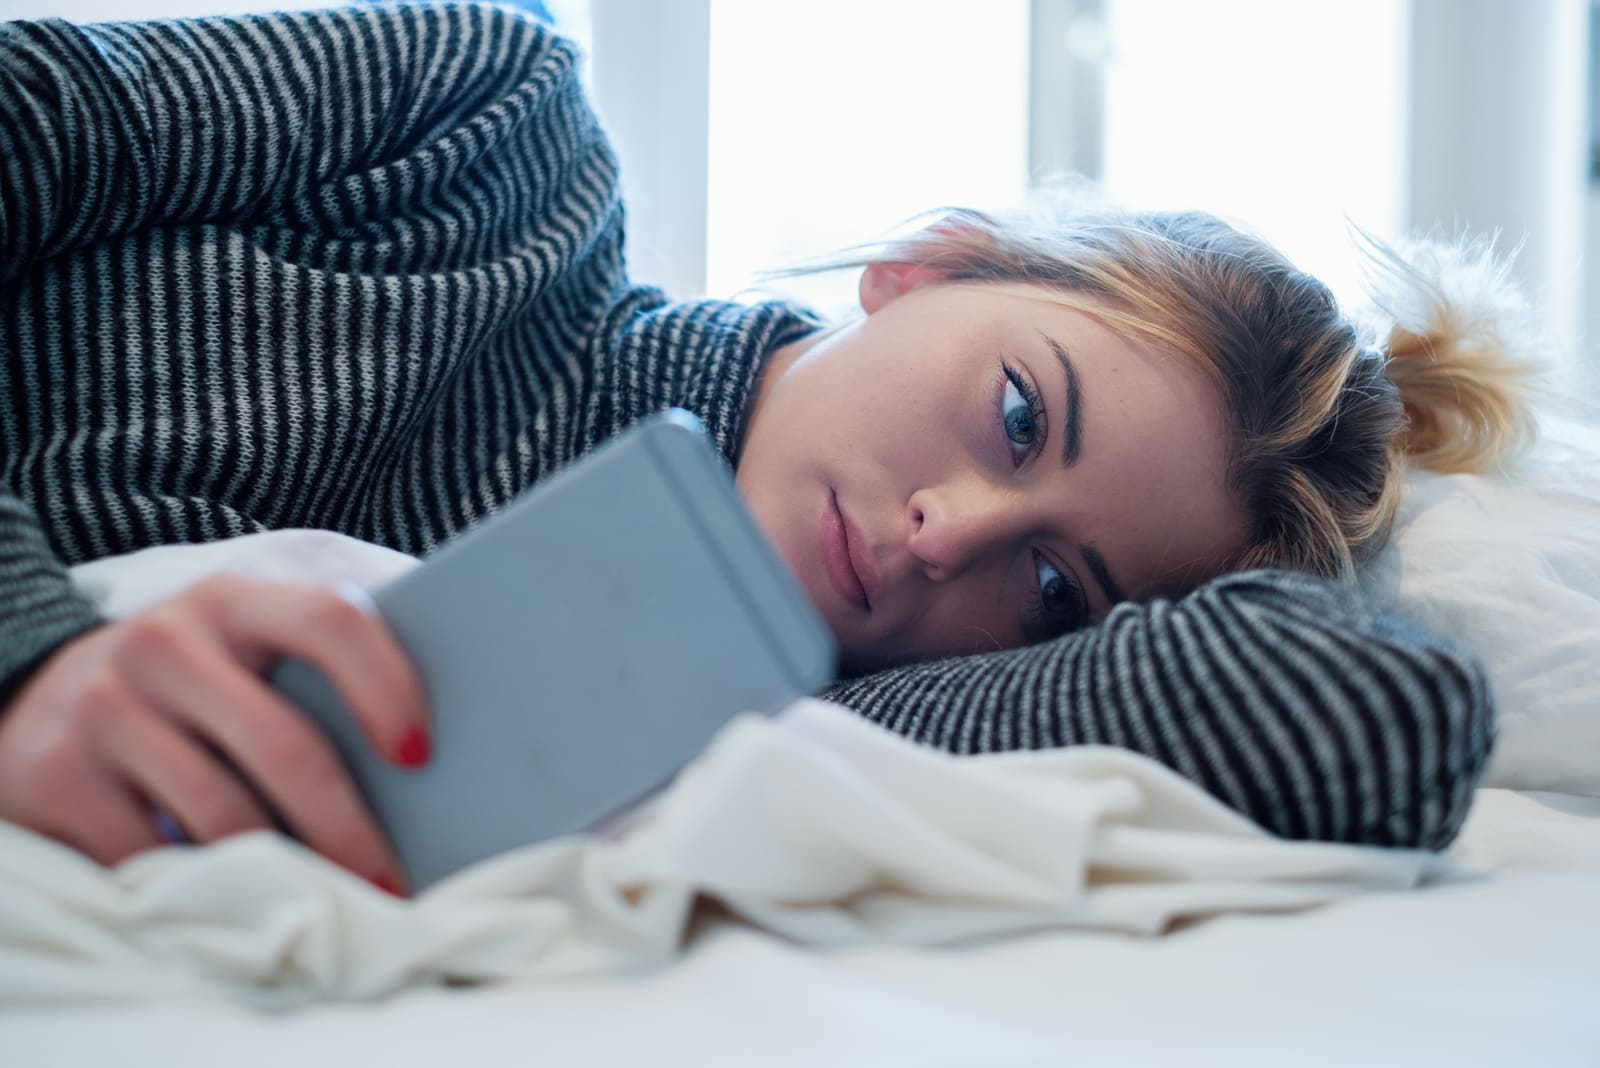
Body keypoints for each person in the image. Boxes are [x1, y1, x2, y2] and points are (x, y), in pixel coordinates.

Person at [0, 2, 1533, 895]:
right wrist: (31, 660)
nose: (948, 534)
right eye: (1019, 416)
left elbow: (1372, 720)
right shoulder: (485, 125)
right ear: (930, 266)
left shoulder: (794, 722)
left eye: (1056, 584)